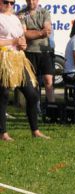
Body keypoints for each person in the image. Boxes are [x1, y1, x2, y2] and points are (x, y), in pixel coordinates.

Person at [1, 0, 47, 140]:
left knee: (32, 94)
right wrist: (12, 42)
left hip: (18, 59)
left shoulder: (15, 18)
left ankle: (35, 130)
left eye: (12, 2)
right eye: (5, 2)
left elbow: (21, 36)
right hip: (3, 59)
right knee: (3, 95)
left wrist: (22, 44)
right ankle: (3, 133)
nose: (9, 5)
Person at [17, 0, 55, 105]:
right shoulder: (21, 14)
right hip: (29, 52)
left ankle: (51, 107)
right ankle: (35, 107)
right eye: (29, 0)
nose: (31, 2)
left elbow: (47, 31)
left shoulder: (44, 12)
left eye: (33, 0)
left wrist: (33, 32)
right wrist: (40, 32)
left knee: (48, 80)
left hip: (44, 51)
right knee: (32, 82)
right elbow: (24, 34)